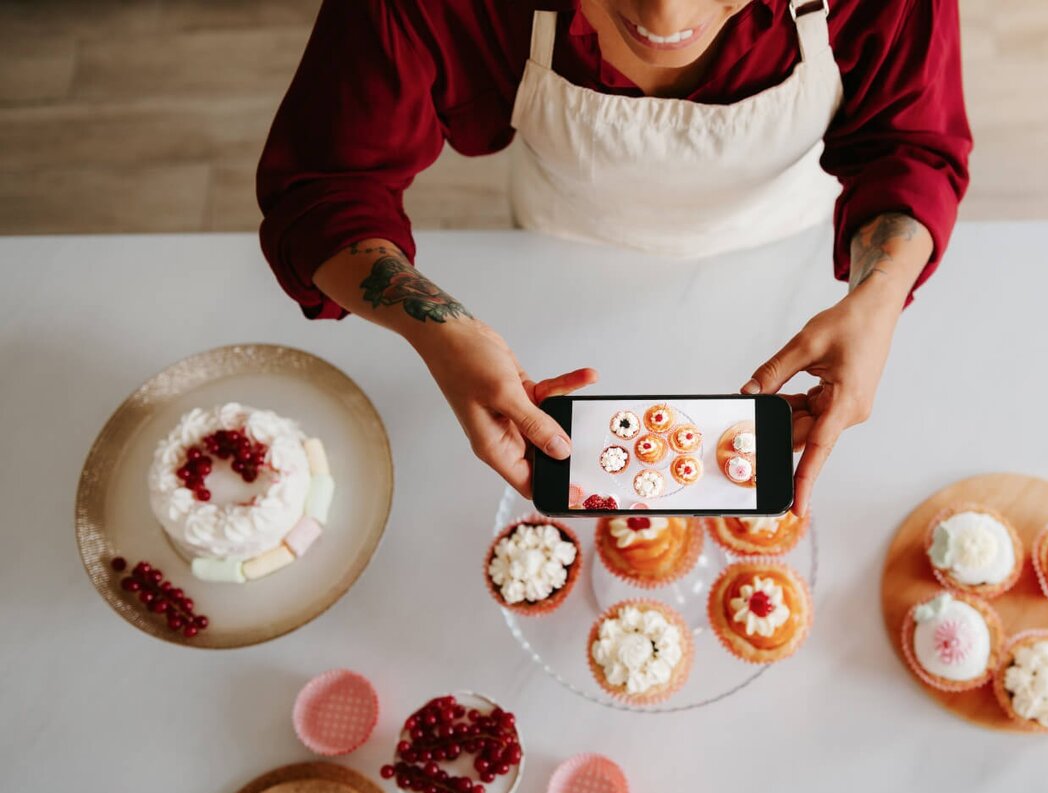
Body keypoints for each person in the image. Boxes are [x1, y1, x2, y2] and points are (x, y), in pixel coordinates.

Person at [257, 0, 970, 515]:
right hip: (560, 249)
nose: (665, 18)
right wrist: (436, 328)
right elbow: (326, 189)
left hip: (789, 254)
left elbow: (908, 146)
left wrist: (877, 298)